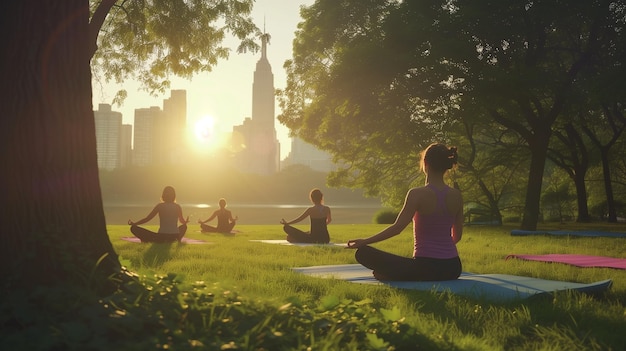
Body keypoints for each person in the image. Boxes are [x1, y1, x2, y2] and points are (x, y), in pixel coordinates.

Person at [346, 143, 463, 281]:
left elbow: (397, 228)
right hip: (453, 268)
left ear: (425, 163)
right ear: (445, 166)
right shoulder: (456, 195)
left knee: (363, 253)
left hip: (425, 268)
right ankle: (394, 274)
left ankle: (393, 274)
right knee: (405, 268)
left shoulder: (416, 194)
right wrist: (442, 252)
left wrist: (364, 241)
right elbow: (457, 236)